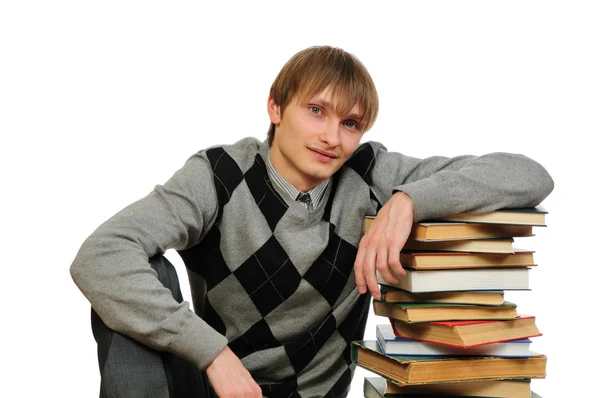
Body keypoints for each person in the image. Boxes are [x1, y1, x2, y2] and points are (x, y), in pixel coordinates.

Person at [70, 45, 554, 398]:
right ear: (276, 107)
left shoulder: (368, 177)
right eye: (317, 111)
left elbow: (529, 174)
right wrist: (214, 356)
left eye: (350, 123)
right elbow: (101, 256)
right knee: (136, 282)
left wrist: (408, 200)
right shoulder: (218, 176)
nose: (331, 137)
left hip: (310, 395)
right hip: (212, 386)